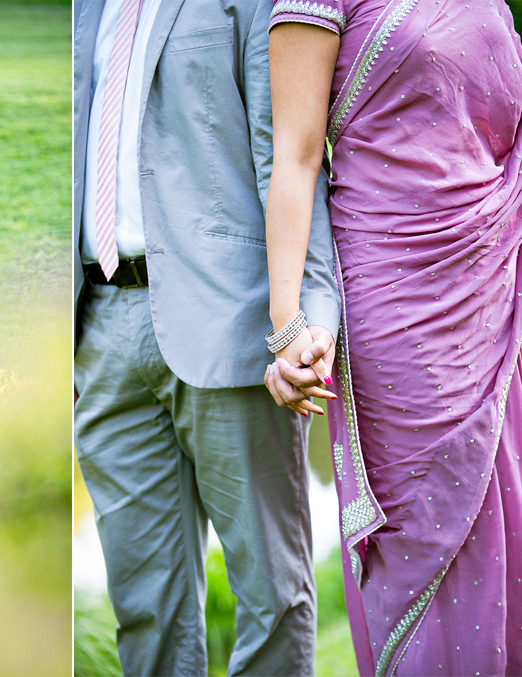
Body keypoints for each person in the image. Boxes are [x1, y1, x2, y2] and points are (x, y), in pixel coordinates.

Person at [72, 0, 340, 673]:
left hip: (233, 320)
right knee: (146, 611)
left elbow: (289, 152)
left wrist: (306, 313)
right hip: (98, 326)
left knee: (271, 595)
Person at [263, 3, 522, 674]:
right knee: (425, 531)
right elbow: (294, 156)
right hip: (396, 303)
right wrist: (288, 325)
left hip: (497, 282)